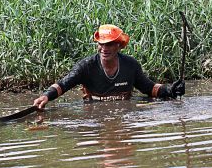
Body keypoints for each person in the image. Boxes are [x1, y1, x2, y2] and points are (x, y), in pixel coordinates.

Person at [32, 24, 185, 108]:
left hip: (124, 114)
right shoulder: (86, 66)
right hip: (93, 115)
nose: (105, 49)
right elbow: (63, 84)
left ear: (119, 46)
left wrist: (170, 89)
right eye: (102, 44)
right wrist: (46, 96)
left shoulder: (130, 65)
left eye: (110, 44)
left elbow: (150, 88)